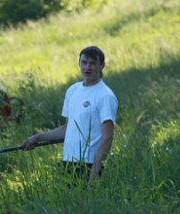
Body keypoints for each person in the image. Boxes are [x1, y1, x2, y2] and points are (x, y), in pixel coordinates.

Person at [22, 46, 118, 183]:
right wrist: (37, 138)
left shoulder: (105, 95)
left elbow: (108, 136)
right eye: (84, 62)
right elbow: (68, 129)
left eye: (92, 63)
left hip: (89, 165)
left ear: (102, 65)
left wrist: (95, 171)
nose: (87, 67)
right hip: (68, 162)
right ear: (79, 63)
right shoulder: (73, 90)